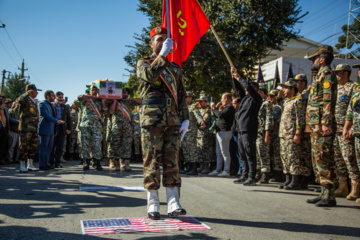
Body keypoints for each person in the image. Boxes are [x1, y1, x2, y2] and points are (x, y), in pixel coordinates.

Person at [136, 26, 189, 220]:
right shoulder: (144, 63)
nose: (162, 42)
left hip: (173, 121)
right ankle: (153, 204)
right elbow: (150, 75)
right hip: (152, 121)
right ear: (152, 43)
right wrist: (163, 55)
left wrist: (185, 118)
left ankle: (174, 203)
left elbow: (181, 96)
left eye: (166, 39)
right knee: (151, 162)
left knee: (172, 162)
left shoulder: (175, 69)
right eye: (159, 39)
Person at [305, 45, 337, 207]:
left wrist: (325, 122)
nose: (313, 62)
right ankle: (323, 191)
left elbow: (328, 101)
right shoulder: (319, 76)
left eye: (314, 59)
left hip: (322, 125)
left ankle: (329, 194)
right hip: (315, 125)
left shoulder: (327, 75)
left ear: (322, 59)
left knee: (324, 158)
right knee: (317, 157)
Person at [332, 64, 360, 200]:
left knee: (349, 158)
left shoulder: (353, 87)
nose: (336, 75)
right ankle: (343, 186)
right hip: (335, 128)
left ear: (346, 73)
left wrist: (350, 127)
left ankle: (355, 187)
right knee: (338, 159)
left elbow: (354, 109)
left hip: (347, 129)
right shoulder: (335, 88)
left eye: (339, 72)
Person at [231, 67, 262, 186]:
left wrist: (240, 77)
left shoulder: (256, 99)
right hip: (240, 131)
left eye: (249, 88)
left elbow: (248, 87)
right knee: (242, 155)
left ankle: (251, 177)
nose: (246, 89)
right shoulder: (245, 99)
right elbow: (239, 89)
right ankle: (244, 175)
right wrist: (234, 77)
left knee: (250, 155)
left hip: (249, 131)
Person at [278, 80, 306, 190]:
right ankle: (288, 179)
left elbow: (300, 118)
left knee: (293, 157)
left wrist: (298, 133)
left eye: (286, 88)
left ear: (292, 89)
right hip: (283, 133)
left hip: (291, 133)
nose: (283, 90)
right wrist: (279, 97)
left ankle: (295, 181)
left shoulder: (297, 101)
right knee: (285, 157)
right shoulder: (286, 101)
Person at [107, 95, 140, 172]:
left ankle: (127, 164)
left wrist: (131, 98)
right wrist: (115, 101)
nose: (124, 94)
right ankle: (117, 163)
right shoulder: (113, 102)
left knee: (127, 145)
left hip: (127, 127)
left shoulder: (128, 103)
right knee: (116, 145)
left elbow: (141, 101)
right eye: (122, 92)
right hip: (116, 126)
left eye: (126, 92)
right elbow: (111, 111)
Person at [78, 84, 107, 171]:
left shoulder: (99, 102)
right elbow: (79, 97)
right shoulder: (86, 100)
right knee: (85, 144)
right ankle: (86, 162)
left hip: (96, 126)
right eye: (92, 90)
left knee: (97, 144)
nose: (94, 91)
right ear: (89, 91)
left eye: (96, 90)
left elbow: (105, 113)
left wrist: (103, 102)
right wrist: (90, 97)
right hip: (85, 125)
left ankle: (97, 162)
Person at [292, 74, 313, 189]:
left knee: (305, 154)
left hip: (305, 129)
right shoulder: (298, 96)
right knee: (299, 154)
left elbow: (308, 112)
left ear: (304, 83)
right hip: (298, 128)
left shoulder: (307, 95)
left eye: (298, 82)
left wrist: (306, 129)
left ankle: (305, 179)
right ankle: (300, 177)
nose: (296, 84)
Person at [15, 84, 42, 172]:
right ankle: (22, 165)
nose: (37, 93)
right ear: (30, 91)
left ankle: (30, 164)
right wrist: (26, 93)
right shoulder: (25, 100)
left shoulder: (34, 101)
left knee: (33, 146)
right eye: (35, 91)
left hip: (33, 128)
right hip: (25, 128)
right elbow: (19, 100)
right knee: (24, 146)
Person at [209, 92, 235, 177]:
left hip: (225, 132)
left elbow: (220, 115)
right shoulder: (224, 108)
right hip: (219, 132)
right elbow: (216, 115)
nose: (221, 100)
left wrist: (213, 107)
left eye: (222, 98)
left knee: (225, 152)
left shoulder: (230, 107)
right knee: (218, 152)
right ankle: (218, 169)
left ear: (226, 99)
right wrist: (216, 108)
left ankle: (226, 170)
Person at [38, 91, 65, 170]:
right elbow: (46, 115)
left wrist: (55, 128)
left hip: (51, 129)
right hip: (45, 129)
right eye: (53, 95)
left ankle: (47, 163)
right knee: (43, 148)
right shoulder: (42, 104)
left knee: (49, 148)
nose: (54, 97)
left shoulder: (51, 105)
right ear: (47, 96)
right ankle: (42, 164)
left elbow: (53, 115)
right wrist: (56, 121)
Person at [343, 87, 360, 203]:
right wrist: (347, 127)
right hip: (357, 133)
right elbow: (350, 113)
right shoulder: (357, 94)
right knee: (357, 163)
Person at [256, 84, 274, 183]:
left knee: (264, 154)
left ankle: (265, 173)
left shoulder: (268, 104)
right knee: (258, 154)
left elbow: (269, 120)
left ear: (262, 92)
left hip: (263, 133)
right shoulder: (259, 103)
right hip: (257, 132)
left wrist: (267, 134)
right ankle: (258, 172)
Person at [50, 92, 71, 168]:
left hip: (62, 128)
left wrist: (69, 128)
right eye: (59, 97)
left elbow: (68, 119)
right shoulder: (52, 105)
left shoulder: (65, 107)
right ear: (55, 97)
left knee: (60, 146)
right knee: (52, 146)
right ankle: (51, 162)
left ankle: (57, 163)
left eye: (62, 97)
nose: (61, 99)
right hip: (53, 128)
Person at [181, 91, 199, 175]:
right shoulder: (183, 107)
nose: (185, 98)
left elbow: (198, 115)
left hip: (191, 131)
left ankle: (194, 168)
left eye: (186, 97)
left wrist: (202, 121)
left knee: (192, 150)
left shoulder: (193, 107)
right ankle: (188, 167)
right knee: (186, 150)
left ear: (190, 98)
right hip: (185, 132)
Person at [267, 89, 283, 182]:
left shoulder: (278, 107)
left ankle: (279, 175)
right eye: (269, 96)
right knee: (272, 154)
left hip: (277, 134)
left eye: (272, 96)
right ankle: (273, 173)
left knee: (277, 155)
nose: (270, 98)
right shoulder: (270, 107)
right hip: (271, 134)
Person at [194, 95, 212, 174]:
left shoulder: (207, 111)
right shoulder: (197, 110)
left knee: (204, 151)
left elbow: (204, 122)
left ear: (205, 102)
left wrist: (198, 123)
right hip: (198, 133)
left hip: (204, 133)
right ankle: (201, 166)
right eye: (199, 101)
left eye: (201, 101)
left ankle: (206, 167)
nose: (200, 103)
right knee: (199, 151)